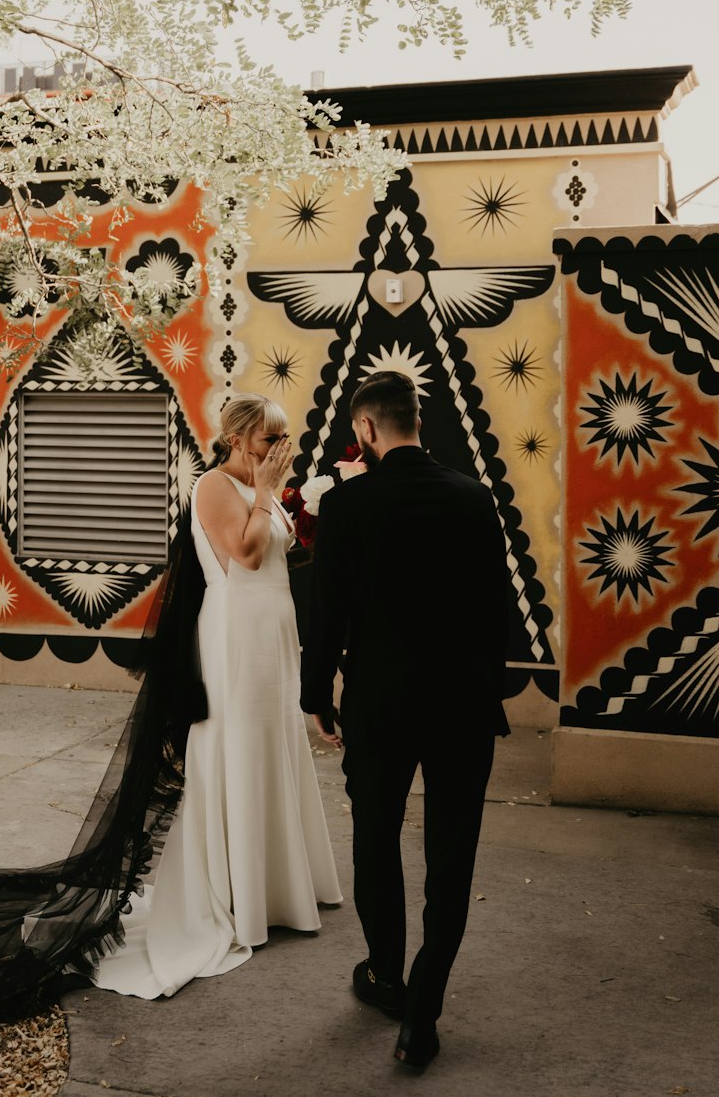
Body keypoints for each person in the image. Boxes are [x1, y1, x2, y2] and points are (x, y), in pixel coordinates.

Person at [94, 392, 342, 997]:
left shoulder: (264, 487)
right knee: (237, 748)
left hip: (274, 634)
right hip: (234, 634)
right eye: (268, 441)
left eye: (282, 440)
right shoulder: (214, 486)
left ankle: (281, 885)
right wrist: (267, 492)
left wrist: (315, 505)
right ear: (237, 440)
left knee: (273, 747)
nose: (278, 452)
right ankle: (236, 894)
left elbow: (291, 554)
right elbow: (247, 555)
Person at [300, 371, 509, 1070]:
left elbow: (326, 615)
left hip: (380, 703)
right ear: (418, 420)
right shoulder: (475, 499)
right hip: (463, 704)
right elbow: (497, 610)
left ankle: (386, 975)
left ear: (365, 428)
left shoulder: (349, 505)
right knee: (452, 860)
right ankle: (423, 1018)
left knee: (375, 837)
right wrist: (488, 687)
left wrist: (316, 697)